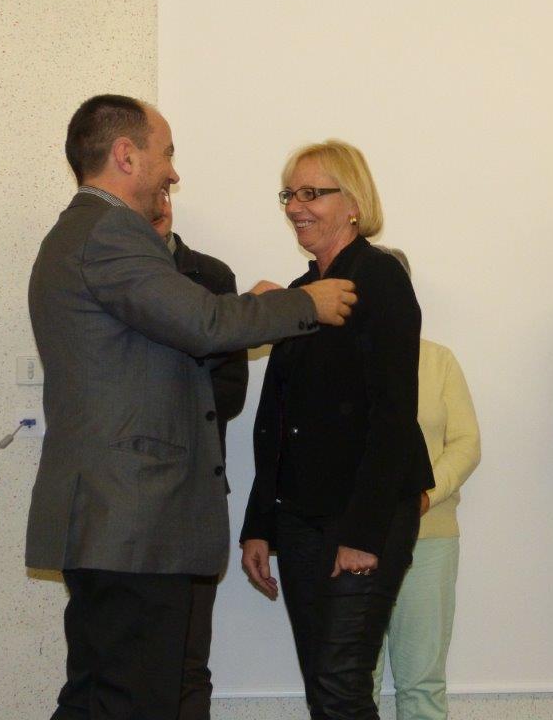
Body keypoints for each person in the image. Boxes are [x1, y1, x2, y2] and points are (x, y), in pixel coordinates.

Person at [26, 95, 357, 720]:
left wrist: (246, 311)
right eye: (167, 153)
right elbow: (201, 322)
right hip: (131, 521)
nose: (173, 173)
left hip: (119, 524)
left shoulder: (86, 232)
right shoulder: (109, 233)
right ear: (126, 155)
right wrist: (302, 304)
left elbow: (174, 334)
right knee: (132, 701)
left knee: (103, 698)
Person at [239, 140, 434, 720]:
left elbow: (393, 415)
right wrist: (259, 525)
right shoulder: (302, 293)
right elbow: (276, 420)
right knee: (324, 690)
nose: (295, 206)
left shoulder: (380, 277)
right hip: (300, 519)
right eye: (289, 194)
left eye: (311, 193)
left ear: (353, 203)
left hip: (364, 516)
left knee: (342, 688)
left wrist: (364, 534)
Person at [370, 248, 481, 720]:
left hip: (428, 536)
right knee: (351, 683)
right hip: (350, 540)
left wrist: (426, 497)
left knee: (423, 685)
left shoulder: (438, 361)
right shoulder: (332, 360)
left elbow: (466, 444)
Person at [150, 202, 247, 720]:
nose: (159, 203)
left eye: (165, 190)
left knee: (189, 661)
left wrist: (153, 396)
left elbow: (229, 394)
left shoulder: (212, 277)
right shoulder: (105, 271)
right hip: (125, 500)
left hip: (196, 493)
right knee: (125, 662)